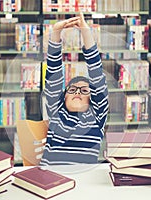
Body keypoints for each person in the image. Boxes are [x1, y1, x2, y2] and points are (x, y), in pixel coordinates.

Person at [40, 13, 109, 165]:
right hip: (52, 177)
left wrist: (85, 31)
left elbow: (97, 75)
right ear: (63, 97)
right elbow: (53, 73)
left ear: (93, 99)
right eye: (72, 90)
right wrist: (56, 32)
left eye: (84, 91)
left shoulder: (97, 116)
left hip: (84, 179)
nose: (77, 92)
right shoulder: (56, 111)